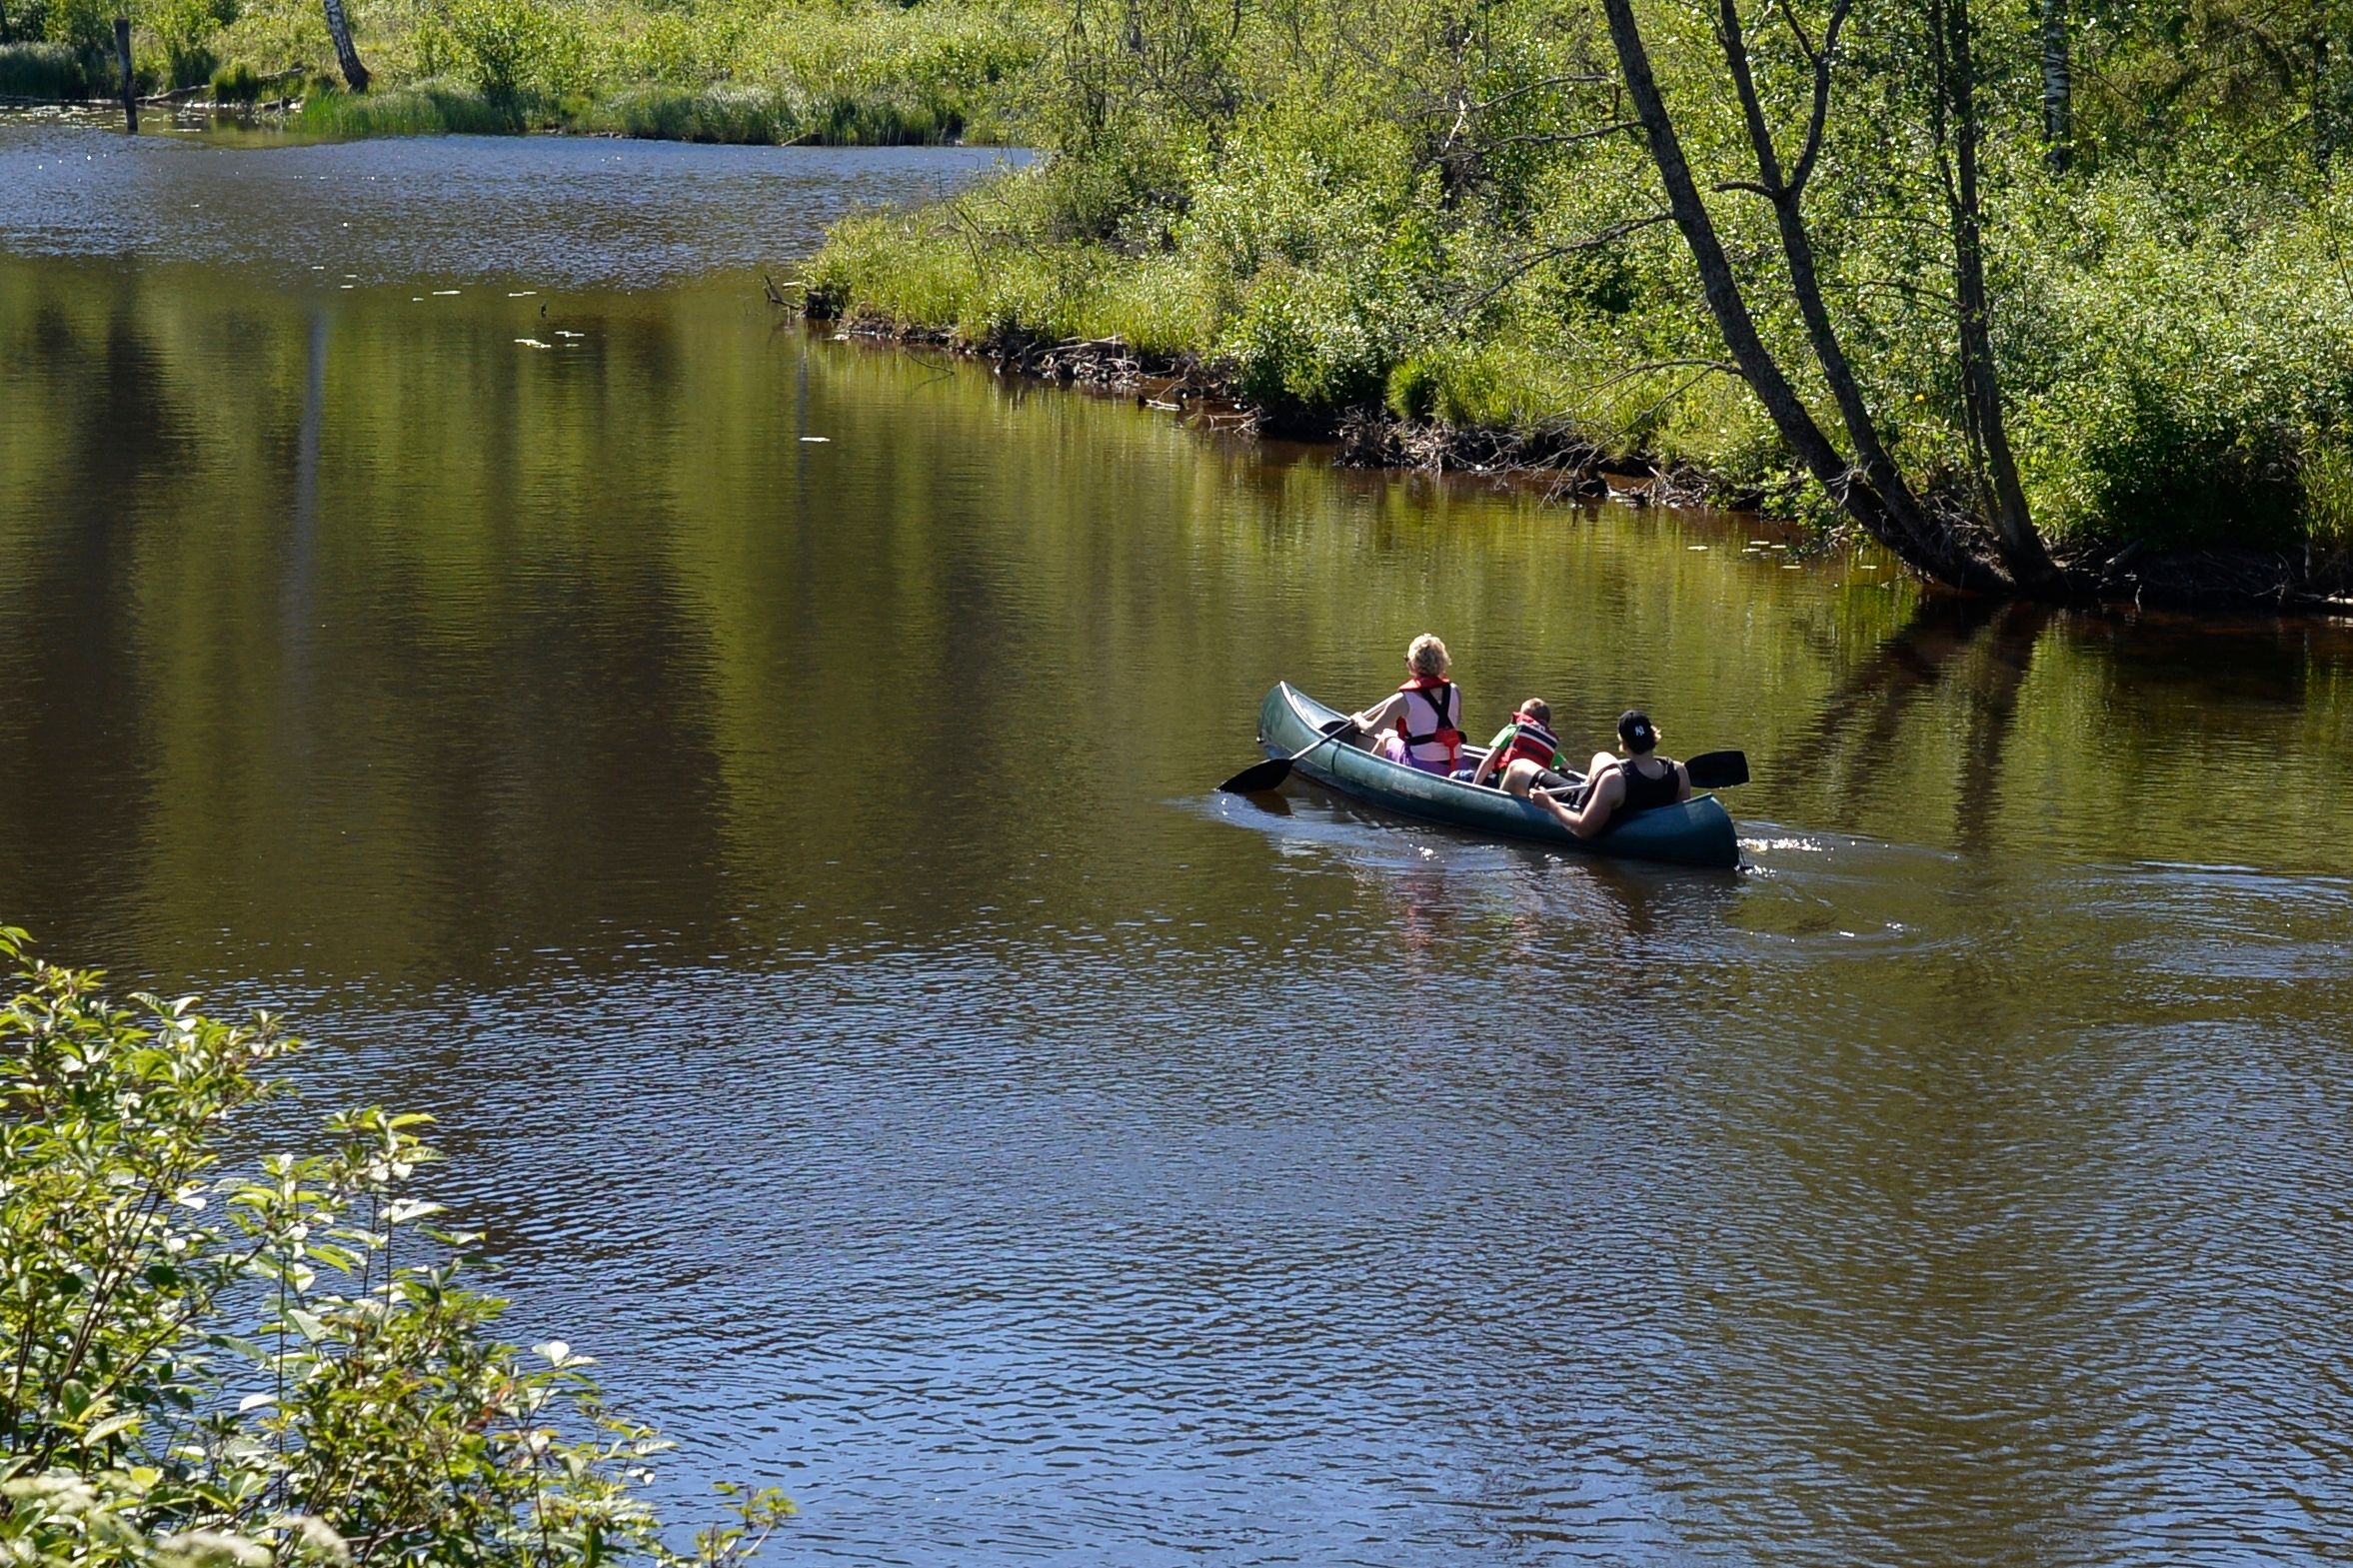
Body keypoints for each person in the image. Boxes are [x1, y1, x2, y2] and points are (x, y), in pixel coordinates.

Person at [1530, 709, 1690, 837]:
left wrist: (1549, 804)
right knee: (1602, 757)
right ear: (1653, 736)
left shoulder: (1614, 780)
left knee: (1517, 768)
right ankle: (1589, 787)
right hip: (1640, 815)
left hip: (1592, 801)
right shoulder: (1679, 771)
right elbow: (1680, 821)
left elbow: (1582, 830)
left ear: (1624, 743)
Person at [1347, 634, 1463, 776]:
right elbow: (1455, 722)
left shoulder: (1403, 699)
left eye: (1407, 659)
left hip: (1424, 766)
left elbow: (1372, 730)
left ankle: (1365, 776)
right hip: (1457, 763)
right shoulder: (1454, 690)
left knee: (1386, 736)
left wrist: (1358, 720)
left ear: (1413, 663)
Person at [1469, 698, 1573, 796]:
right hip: (1529, 790)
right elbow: (1567, 767)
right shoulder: (1548, 741)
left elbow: (1489, 760)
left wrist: (1474, 787)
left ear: (1526, 716)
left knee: (1458, 776)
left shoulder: (1514, 728)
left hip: (1504, 783)